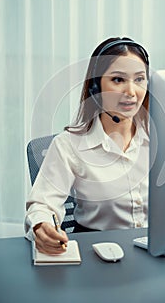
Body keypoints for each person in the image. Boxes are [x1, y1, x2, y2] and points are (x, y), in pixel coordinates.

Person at [25, 36, 150, 255]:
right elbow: (42, 205)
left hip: (155, 253)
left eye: (139, 79)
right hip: (98, 256)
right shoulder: (69, 145)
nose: (131, 91)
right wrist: (41, 226)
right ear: (95, 87)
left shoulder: (163, 140)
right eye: (118, 80)